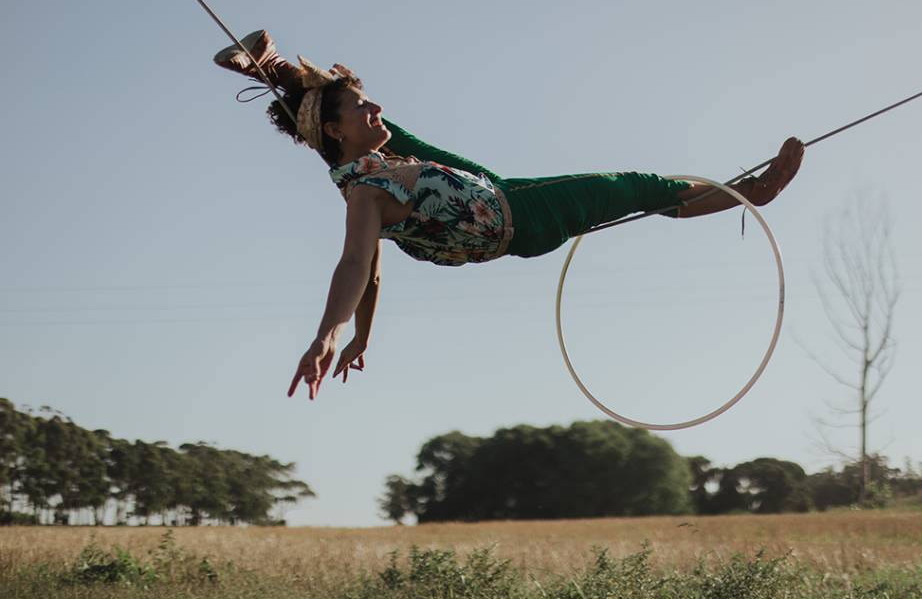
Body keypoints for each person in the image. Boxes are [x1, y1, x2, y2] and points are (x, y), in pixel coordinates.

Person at [214, 31, 805, 401]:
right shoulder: (364, 193)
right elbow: (353, 266)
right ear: (338, 126)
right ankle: (751, 193)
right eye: (362, 106)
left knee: (387, 146)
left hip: (481, 200)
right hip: (517, 213)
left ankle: (272, 66)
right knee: (636, 188)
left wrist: (362, 336)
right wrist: (329, 334)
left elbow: (369, 271)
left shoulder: (363, 173)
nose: (376, 106)